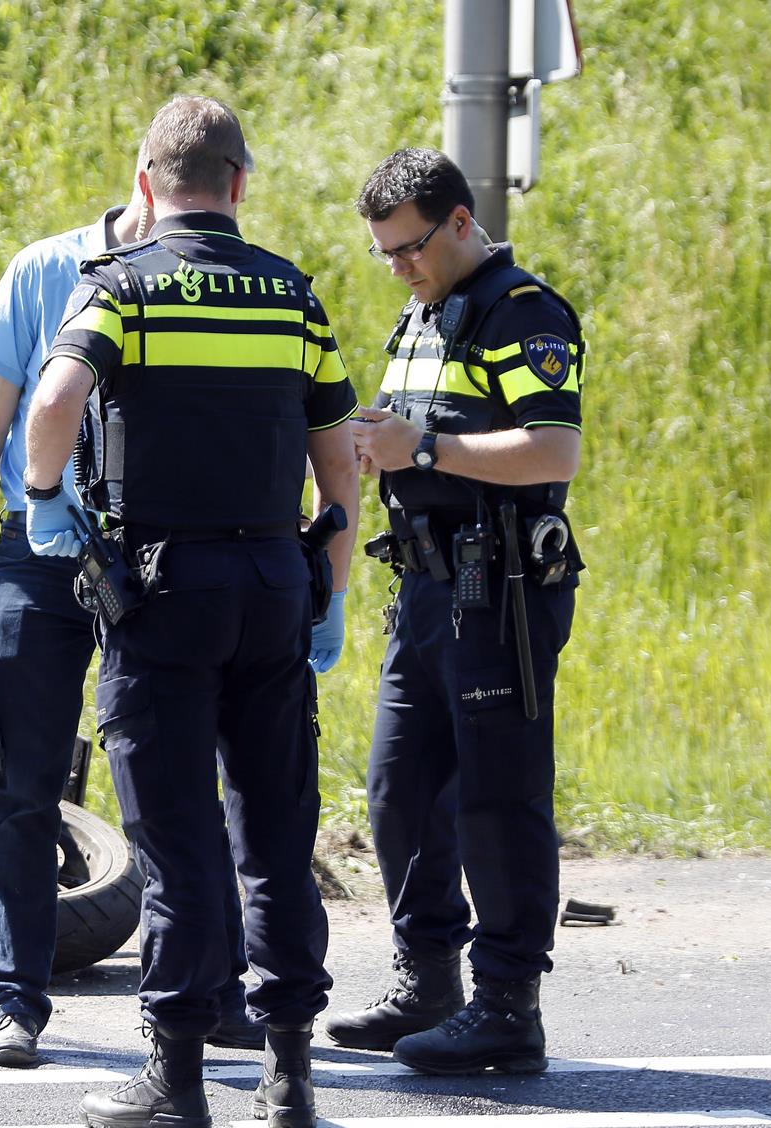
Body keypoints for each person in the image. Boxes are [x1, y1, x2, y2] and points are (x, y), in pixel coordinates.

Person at [21, 96, 361, 1128]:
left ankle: (174, 1080)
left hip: (164, 594)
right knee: (277, 830)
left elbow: (54, 397)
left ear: (145, 184)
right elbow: (338, 455)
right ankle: (290, 1073)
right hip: (271, 582)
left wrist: (44, 498)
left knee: (175, 840)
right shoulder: (289, 295)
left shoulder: (120, 288)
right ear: (240, 185)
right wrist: (330, 592)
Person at [0, 143, 268, 1069]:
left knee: (176, 778)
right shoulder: (43, 270)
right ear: (144, 184)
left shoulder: (205, 280)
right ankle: (13, 1002)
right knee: (26, 779)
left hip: (158, 552)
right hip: (38, 552)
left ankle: (214, 989)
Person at [331, 147, 586, 1075]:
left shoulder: (524, 313)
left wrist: (424, 450)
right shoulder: (422, 313)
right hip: (427, 588)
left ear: (462, 223)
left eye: (409, 248)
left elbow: (552, 451)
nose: (399, 266)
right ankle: (427, 980)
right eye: (384, 254)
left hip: (500, 592)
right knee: (400, 790)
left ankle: (508, 1005)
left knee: (497, 799)